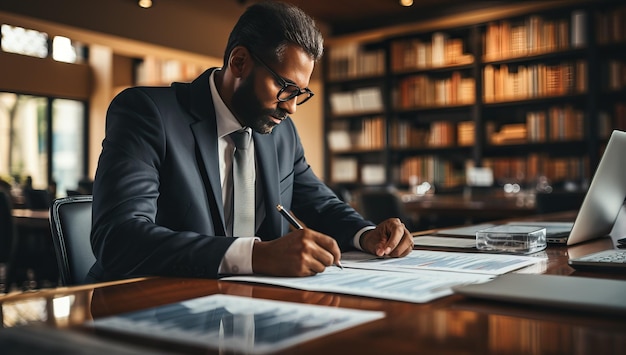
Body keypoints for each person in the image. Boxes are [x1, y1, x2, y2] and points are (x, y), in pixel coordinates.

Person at [88, 1, 413, 283]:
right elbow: (118, 237)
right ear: (239, 62)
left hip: (250, 307)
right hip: (144, 307)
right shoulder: (148, 113)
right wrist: (256, 256)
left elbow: (322, 205)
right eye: (285, 87)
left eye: (301, 93)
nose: (291, 107)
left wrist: (367, 234)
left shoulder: (281, 133)